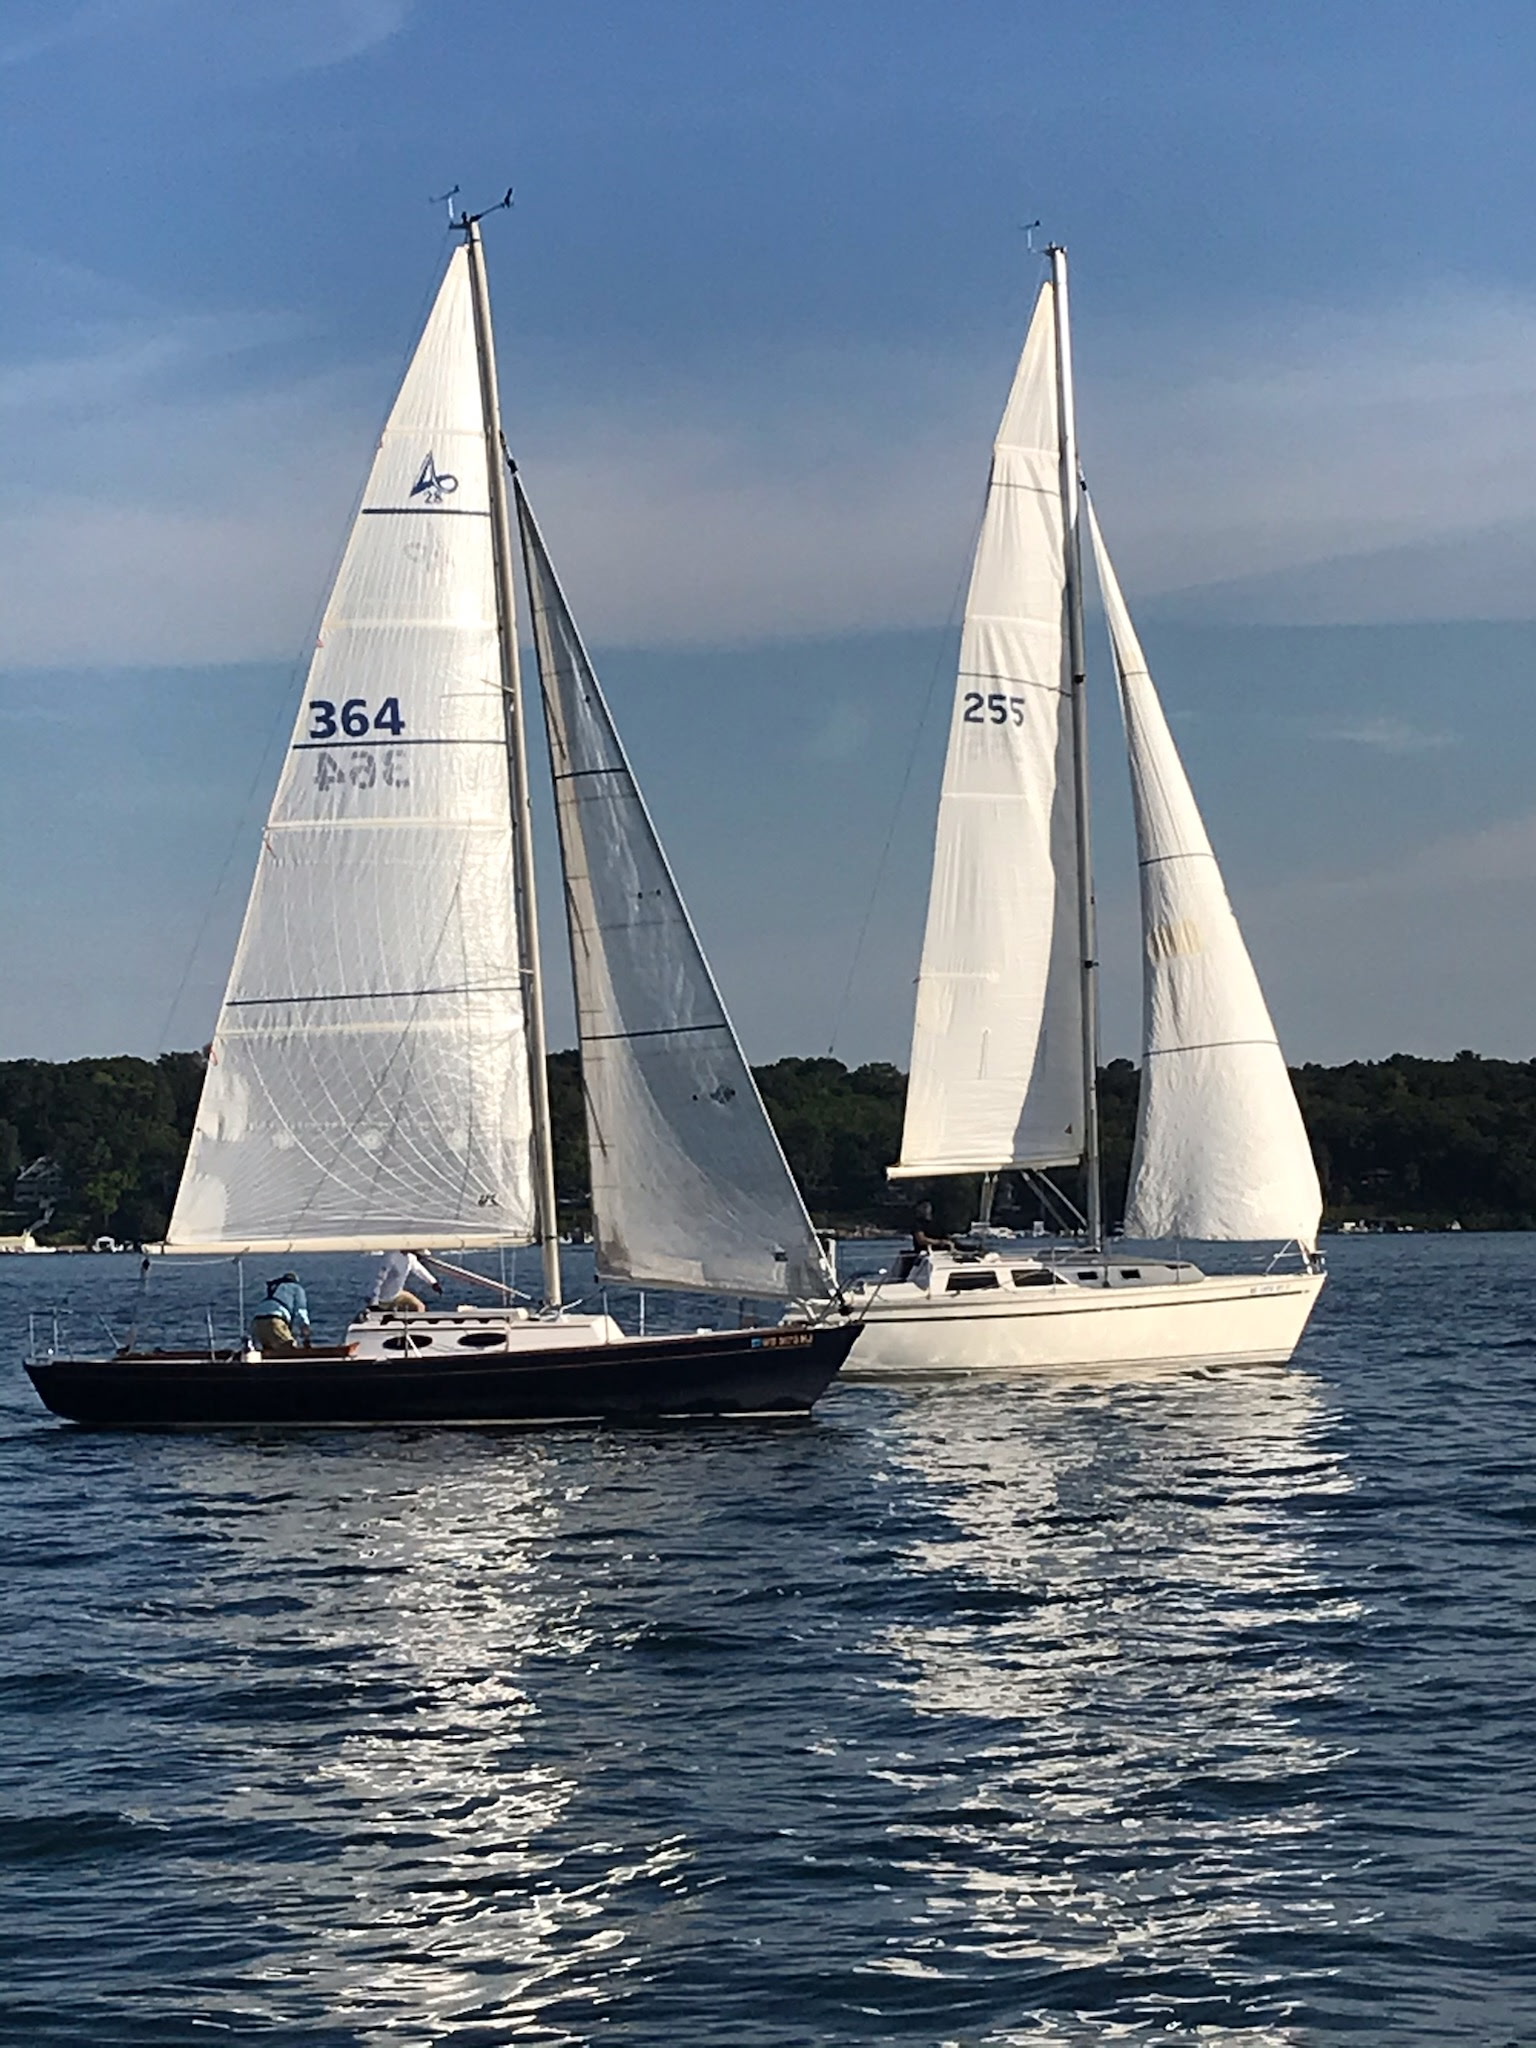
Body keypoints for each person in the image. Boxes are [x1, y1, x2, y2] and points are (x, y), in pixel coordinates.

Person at [251, 1272, 311, 1354]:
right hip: (274, 1321)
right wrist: (305, 1330)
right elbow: (301, 1311)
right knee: (290, 1350)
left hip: (257, 1322)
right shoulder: (296, 1288)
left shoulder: (273, 1289)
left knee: (269, 1353)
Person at [370, 1249, 442, 1314]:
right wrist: (374, 1302)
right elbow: (379, 1279)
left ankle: (414, 1327)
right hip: (383, 1299)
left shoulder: (410, 1258)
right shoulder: (391, 1257)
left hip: (397, 1294)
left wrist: (433, 1283)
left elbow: (419, 1270)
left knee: (420, 1307)